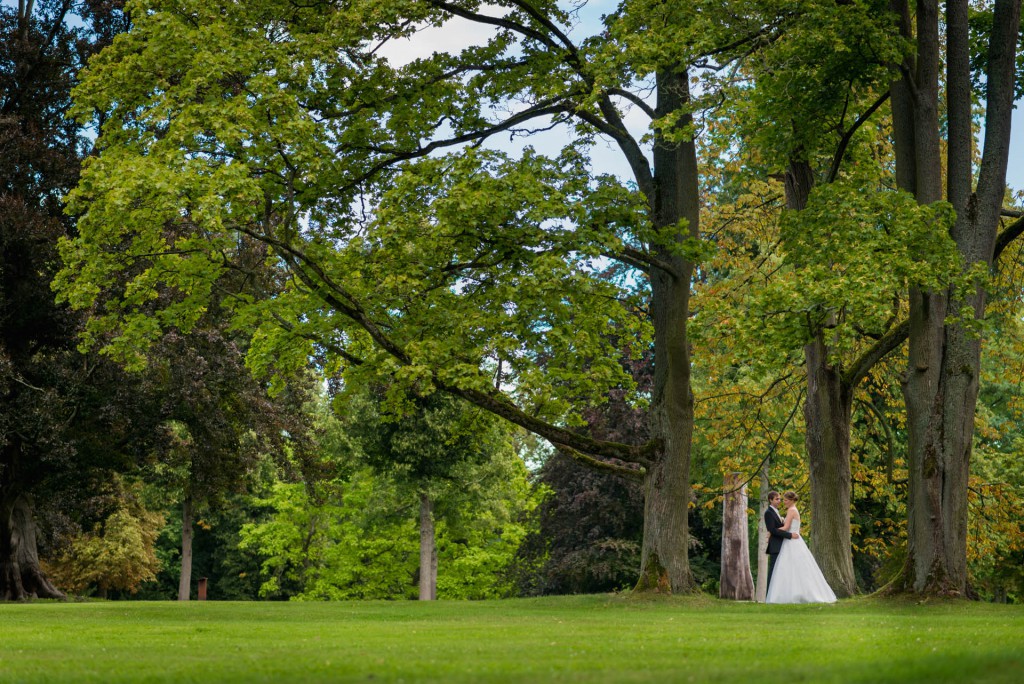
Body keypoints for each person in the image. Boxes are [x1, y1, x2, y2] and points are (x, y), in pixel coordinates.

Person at [765, 491, 838, 604]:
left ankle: (788, 595)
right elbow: (784, 526)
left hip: (791, 541)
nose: (783, 502)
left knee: (788, 569)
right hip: (793, 540)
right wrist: (774, 531)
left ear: (792, 500)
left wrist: (772, 532)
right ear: (771, 500)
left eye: (785, 500)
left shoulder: (791, 510)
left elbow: (786, 527)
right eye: (780, 499)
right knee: (795, 568)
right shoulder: (792, 510)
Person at [763, 490, 798, 591]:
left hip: (782, 544)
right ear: (770, 500)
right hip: (775, 545)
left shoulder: (776, 512)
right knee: (773, 571)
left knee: (780, 572)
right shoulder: (768, 513)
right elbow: (773, 530)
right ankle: (769, 596)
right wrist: (790, 535)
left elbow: (777, 528)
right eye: (777, 499)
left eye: (780, 499)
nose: (779, 501)